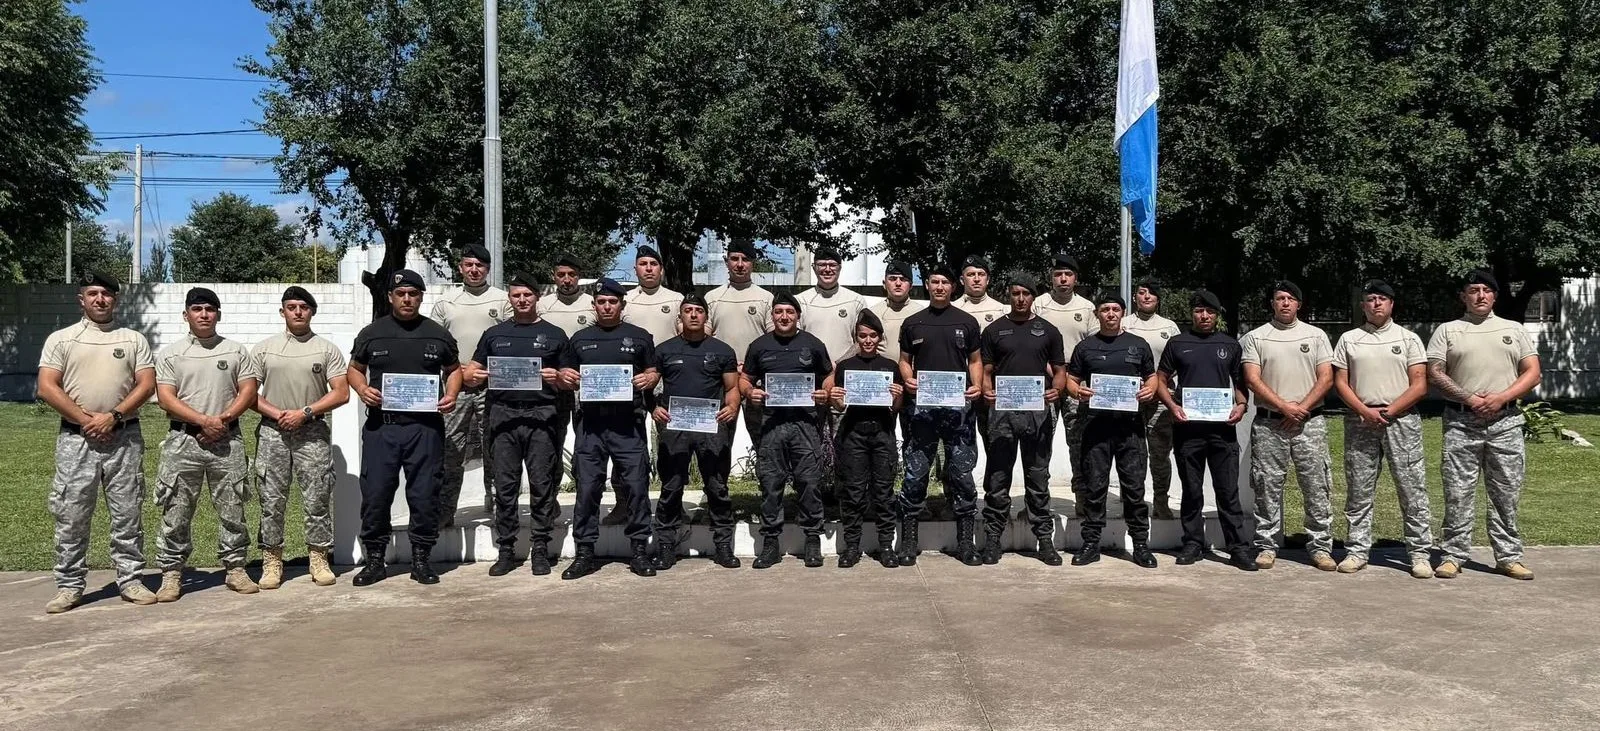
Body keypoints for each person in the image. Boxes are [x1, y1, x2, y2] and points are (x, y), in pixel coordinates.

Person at [36, 271, 159, 613]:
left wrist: (114, 416)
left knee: (127, 512)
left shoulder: (133, 339)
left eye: (106, 294)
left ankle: (131, 580)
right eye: (93, 294)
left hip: (124, 437)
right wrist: (87, 419)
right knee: (71, 514)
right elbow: (47, 387)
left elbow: (146, 385)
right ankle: (69, 585)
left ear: (116, 300)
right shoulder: (62, 339)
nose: (100, 299)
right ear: (82, 299)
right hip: (77, 441)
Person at [348, 269, 462, 586]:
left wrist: (451, 393)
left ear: (421, 297)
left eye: (413, 294)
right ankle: (374, 560)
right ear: (390, 297)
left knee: (424, 495)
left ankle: (421, 560)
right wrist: (361, 389)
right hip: (382, 429)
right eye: (401, 294)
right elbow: (354, 370)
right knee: (376, 493)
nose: (407, 299)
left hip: (425, 429)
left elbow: (454, 370)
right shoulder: (372, 333)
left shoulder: (437, 334)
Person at [1426, 269, 1541, 580]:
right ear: (1463, 296)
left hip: (1505, 422)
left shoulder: (1513, 330)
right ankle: (1453, 555)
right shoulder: (1448, 331)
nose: (1480, 295)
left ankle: (1508, 557)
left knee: (1506, 493)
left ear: (1494, 296)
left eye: (1486, 290)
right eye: (1473, 290)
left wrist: (1500, 397)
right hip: (1461, 423)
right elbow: (1435, 372)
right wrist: (1470, 398)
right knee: (1458, 492)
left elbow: (1532, 372)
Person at [153, 287, 262, 599]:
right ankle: (172, 573)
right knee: (175, 509)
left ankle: (235, 569)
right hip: (183, 442)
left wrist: (222, 419)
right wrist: (203, 421)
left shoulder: (236, 351)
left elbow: (248, 391)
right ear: (185, 315)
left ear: (218, 315)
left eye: (209, 310)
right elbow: (165, 398)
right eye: (197, 310)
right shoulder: (172, 353)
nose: (203, 315)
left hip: (228, 439)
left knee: (233, 509)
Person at [464, 271, 569, 577]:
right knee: (505, 487)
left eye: (527, 295)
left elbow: (570, 380)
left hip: (541, 416)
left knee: (542, 484)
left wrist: (558, 377)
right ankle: (506, 548)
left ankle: (540, 547)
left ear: (537, 297)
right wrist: (474, 376)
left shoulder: (555, 335)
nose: (522, 300)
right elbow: (471, 372)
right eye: (516, 295)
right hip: (504, 416)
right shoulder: (494, 335)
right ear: (509, 299)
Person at [558, 278, 660, 579]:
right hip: (591, 425)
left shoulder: (640, 338)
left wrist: (651, 378)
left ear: (621, 305)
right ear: (594, 305)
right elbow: (567, 372)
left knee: (637, 487)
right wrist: (566, 377)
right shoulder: (578, 339)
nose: (606, 306)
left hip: (627, 424)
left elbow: (652, 371)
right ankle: (585, 552)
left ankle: (639, 550)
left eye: (612, 302)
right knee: (588, 488)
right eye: (601, 302)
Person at [250, 286, 350, 589]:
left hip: (312, 432)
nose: (297, 311)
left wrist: (304, 412)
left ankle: (318, 558)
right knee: (271, 499)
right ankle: (272, 561)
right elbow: (247, 393)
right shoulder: (265, 348)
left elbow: (341, 392)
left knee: (317, 496)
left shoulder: (326, 349)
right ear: (282, 312)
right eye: (291, 306)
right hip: (273, 431)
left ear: (312, 312)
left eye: (303, 307)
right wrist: (279, 413)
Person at [1331, 280, 1433, 578]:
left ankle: (1419, 554)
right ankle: (1357, 550)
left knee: (1411, 488)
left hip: (1400, 419)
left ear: (1392, 305)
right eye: (1371, 299)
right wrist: (1364, 411)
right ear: (1363, 305)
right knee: (1359, 490)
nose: (1376, 304)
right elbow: (1341, 382)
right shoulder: (1350, 339)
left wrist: (1389, 411)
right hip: (1360, 420)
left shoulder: (1409, 338)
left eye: (1382, 299)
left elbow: (1420, 384)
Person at [1156, 290, 1255, 571]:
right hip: (1188, 429)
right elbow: (1161, 379)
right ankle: (1192, 543)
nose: (1204, 316)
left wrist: (1242, 405)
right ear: (1192, 313)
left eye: (1210, 312)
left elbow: (1239, 382)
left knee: (1227, 491)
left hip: (1222, 430)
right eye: (1199, 311)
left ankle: (1237, 548)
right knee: (1191, 490)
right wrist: (1171, 406)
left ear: (1217, 315)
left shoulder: (1230, 345)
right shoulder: (1178, 343)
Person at [1241, 280, 1336, 571]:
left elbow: (1326, 378)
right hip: (1271, 424)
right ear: (1272, 303)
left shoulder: (1316, 335)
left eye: (1290, 299)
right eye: (1279, 298)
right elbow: (1252, 379)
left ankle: (1320, 546)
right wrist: (1284, 407)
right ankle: (1266, 545)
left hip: (1310, 423)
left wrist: (1301, 409)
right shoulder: (1256, 337)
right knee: (1267, 486)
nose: (1285, 303)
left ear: (1299, 304)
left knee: (1316, 485)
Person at [897, 266, 985, 566]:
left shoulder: (967, 321)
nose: (939, 287)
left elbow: (975, 360)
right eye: (934, 282)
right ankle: (908, 541)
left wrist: (976, 386)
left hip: (958, 412)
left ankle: (965, 543)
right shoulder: (913, 323)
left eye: (945, 282)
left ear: (953, 286)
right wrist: (908, 378)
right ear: (927, 286)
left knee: (961, 475)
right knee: (915, 473)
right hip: (921, 412)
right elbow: (904, 361)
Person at [978, 275, 1066, 566]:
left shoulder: (1049, 331)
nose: (1020, 298)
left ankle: (1044, 540)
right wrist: (987, 390)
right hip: (1002, 414)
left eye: (1026, 293)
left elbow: (1059, 369)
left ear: (1033, 297)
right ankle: (993, 540)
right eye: (1015, 293)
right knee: (997, 477)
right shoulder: (994, 330)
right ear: (1008, 295)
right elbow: (987, 370)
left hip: (1037, 413)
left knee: (1038, 478)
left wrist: (1058, 388)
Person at [742, 292, 833, 568]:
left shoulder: (812, 344)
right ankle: (771, 543)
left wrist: (824, 393)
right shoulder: (759, 346)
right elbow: (745, 378)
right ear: (772, 316)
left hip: (804, 424)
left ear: (797, 316)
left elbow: (828, 374)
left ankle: (812, 540)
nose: (784, 317)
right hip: (772, 424)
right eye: (779, 312)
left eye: (789, 312)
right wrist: (750, 392)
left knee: (809, 483)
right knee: (771, 484)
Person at [1066, 294, 1159, 568]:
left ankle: (1140, 545)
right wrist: (1077, 391)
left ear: (1122, 313)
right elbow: (1071, 381)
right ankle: (1091, 543)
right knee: (1095, 488)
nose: (1110, 314)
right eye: (1105, 309)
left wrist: (1150, 389)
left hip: (1129, 429)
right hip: (1095, 426)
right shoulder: (1085, 347)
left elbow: (1151, 376)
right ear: (1097, 314)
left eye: (1115, 309)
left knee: (1134, 488)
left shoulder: (1138, 345)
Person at [651, 293, 742, 570]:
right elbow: (649, 383)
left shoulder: (722, 350)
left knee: (717, 487)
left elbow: (732, 388)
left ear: (706, 317)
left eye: (698, 310)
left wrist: (733, 407)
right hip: (675, 428)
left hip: (711, 428)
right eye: (688, 310)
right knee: (671, 487)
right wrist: (652, 408)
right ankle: (666, 546)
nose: (693, 315)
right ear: (680, 317)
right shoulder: (664, 350)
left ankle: (723, 545)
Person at [430, 244, 507, 525]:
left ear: (488, 269)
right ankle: (445, 510)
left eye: (480, 265)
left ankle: (499, 507)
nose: (474, 270)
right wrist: (462, 373)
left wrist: (483, 370)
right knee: (452, 449)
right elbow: (433, 347)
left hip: (494, 385)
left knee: (497, 447)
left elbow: (512, 344)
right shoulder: (446, 303)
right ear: (460, 267)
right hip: (455, 387)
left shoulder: (503, 301)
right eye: (469, 265)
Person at [825, 310, 905, 568]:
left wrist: (898, 394)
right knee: (854, 492)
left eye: (872, 335)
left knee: (884, 492)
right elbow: (839, 405)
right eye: (863, 336)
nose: (868, 340)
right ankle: (852, 547)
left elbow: (896, 407)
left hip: (882, 432)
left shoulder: (890, 366)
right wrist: (835, 396)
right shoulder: (846, 367)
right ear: (856, 338)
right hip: (854, 434)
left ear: (880, 337)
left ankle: (886, 547)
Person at [1031, 252, 1097, 517]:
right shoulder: (1038, 304)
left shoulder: (1087, 307)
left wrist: (1071, 378)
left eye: (1068, 275)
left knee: (1079, 443)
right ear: (1051, 278)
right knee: (1039, 443)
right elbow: (1032, 343)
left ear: (1075, 278)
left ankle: (1082, 499)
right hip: (1044, 381)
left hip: (1076, 381)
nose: (1062, 279)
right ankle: (1038, 503)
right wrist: (1055, 372)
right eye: (1058, 274)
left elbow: (1093, 346)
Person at [705, 238, 775, 447]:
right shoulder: (712, 297)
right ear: (727, 262)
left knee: (765, 440)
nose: (739, 264)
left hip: (755, 380)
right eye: (734, 259)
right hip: (722, 381)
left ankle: (768, 479)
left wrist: (750, 367)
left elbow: (772, 339)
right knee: (720, 441)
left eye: (745, 259)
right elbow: (705, 339)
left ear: (752, 263)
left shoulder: (766, 298)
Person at [1123, 278, 1182, 520]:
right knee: (1131, 452)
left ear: (1158, 299)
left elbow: (1178, 361)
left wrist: (1158, 384)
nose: (1146, 297)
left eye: (1151, 294)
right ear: (1135, 297)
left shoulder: (1170, 327)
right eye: (1141, 293)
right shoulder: (1125, 324)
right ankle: (1132, 502)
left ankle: (1161, 501)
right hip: (1129, 398)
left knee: (1159, 454)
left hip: (1162, 398)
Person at [952, 255, 1006, 445]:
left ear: (988, 279)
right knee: (956, 440)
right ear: (961, 280)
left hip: (991, 385)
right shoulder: (951, 309)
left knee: (994, 440)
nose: (976, 279)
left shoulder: (1001, 311)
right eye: (971, 274)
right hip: (960, 384)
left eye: (981, 274)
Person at [796, 246, 866, 363]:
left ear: (840, 268)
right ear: (814, 268)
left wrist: (838, 365)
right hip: (810, 370)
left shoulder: (856, 301)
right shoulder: (801, 301)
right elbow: (795, 340)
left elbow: (862, 340)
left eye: (832, 265)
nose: (827, 269)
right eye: (822, 265)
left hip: (844, 370)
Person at [622, 245, 685, 347]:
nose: (648, 269)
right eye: (643, 264)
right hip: (635, 360)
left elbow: (685, 335)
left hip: (667, 360)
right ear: (635, 270)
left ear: (661, 270)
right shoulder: (625, 300)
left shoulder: (676, 299)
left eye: (653, 264)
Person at [868, 261, 928, 365]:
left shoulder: (922, 313)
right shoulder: (872, 313)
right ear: (884, 283)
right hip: (882, 373)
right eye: (892, 279)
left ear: (911, 285)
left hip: (913, 374)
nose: (898, 283)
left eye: (903, 279)